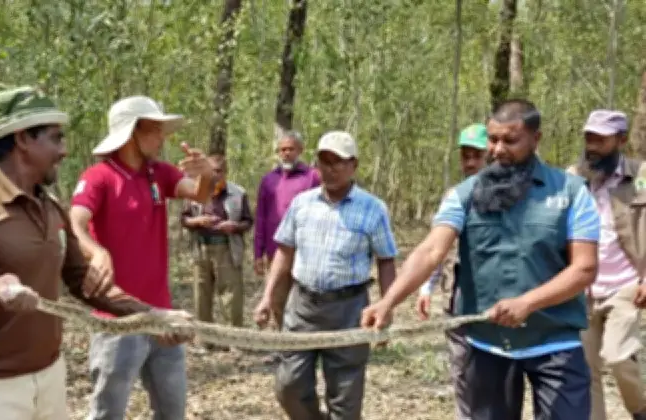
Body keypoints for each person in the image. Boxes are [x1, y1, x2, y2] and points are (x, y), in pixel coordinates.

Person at [0, 86, 167, 420]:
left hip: (49, 378)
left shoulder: (50, 209)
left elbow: (83, 283)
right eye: (55, 138)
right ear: (22, 139)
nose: (63, 151)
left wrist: (153, 316)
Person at [361, 99, 601, 420]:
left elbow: (584, 269)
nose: (498, 149)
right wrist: (388, 301)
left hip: (555, 343)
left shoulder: (571, 193)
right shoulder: (465, 194)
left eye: (510, 140)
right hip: (488, 346)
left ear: (536, 138)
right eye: (493, 139)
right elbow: (431, 250)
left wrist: (527, 303)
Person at [69, 95, 214, 420]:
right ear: (132, 132)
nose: (163, 138)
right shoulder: (99, 177)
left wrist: (207, 173)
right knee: (108, 411)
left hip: (163, 314)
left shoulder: (158, 173)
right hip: (117, 318)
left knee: (172, 410)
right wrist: (96, 251)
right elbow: (75, 222)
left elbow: (201, 194)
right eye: (155, 130)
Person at [253, 131, 398, 420]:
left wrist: (387, 307)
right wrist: (268, 297)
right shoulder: (302, 204)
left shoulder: (372, 209)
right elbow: (284, 252)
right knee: (288, 386)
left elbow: (385, 260)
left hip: (349, 311)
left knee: (345, 400)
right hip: (303, 307)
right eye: (324, 162)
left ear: (353, 165)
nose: (329, 169)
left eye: (337, 162)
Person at [567, 109, 646, 420]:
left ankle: (640, 409)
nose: (593, 146)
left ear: (621, 140)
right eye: (589, 137)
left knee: (617, 356)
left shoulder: (641, 177)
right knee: (585, 369)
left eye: (601, 139)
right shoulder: (573, 178)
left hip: (626, 284)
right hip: (582, 286)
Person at [414, 122, 488, 420]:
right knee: (462, 372)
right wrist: (426, 287)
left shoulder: (516, 195)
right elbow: (438, 249)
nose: (470, 162)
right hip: (460, 297)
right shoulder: (454, 196)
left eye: (477, 156)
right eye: (465, 155)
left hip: (502, 302)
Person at [253, 131, 320, 362]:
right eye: (282, 149)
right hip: (276, 252)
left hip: (306, 251)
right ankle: (282, 347)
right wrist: (258, 251)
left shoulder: (312, 177)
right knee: (277, 300)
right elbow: (261, 217)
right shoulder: (268, 180)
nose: (286, 153)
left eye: (291, 148)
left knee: (304, 300)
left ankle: (306, 346)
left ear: (300, 150)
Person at [180, 153, 253, 349]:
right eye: (210, 171)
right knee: (201, 295)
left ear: (225, 172)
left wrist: (234, 226)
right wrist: (197, 221)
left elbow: (248, 221)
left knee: (231, 296)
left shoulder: (238, 193)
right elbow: (184, 219)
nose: (214, 175)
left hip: (227, 248)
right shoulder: (194, 191)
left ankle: (235, 341)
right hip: (201, 247)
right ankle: (205, 340)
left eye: (218, 171)